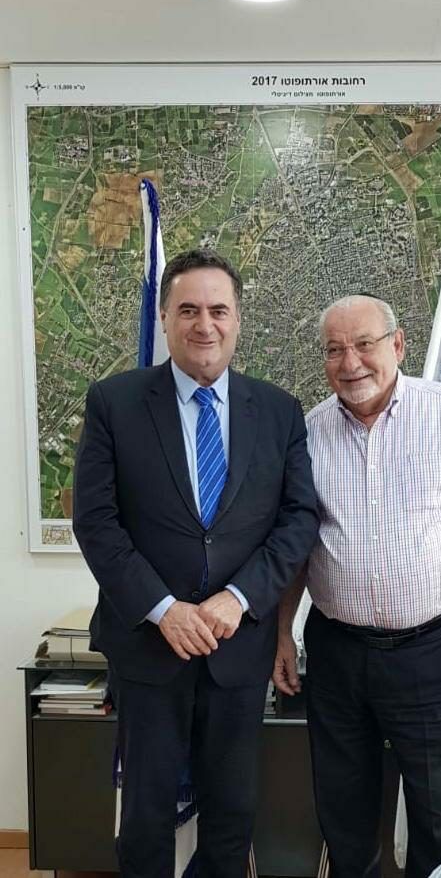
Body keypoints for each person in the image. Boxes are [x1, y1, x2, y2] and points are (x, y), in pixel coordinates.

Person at [73, 249, 319, 878]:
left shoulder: (279, 412)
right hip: (149, 650)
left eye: (218, 310)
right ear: (163, 318)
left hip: (239, 649)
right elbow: (96, 523)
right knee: (147, 815)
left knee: (232, 813)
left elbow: (298, 520)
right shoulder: (114, 403)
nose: (203, 324)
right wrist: (164, 609)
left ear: (237, 319)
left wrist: (238, 598)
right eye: (187, 310)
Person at [273, 294, 441, 878]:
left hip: (432, 652)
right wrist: (282, 631)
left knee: (437, 816)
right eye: (334, 350)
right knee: (345, 812)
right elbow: (296, 544)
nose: (350, 363)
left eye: (364, 345)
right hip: (337, 652)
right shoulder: (307, 434)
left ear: (398, 345)